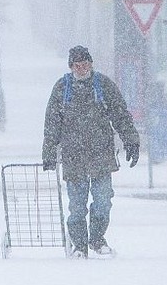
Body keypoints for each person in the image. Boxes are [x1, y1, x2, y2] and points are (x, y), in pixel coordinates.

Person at [42, 45, 139, 259]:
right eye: (77, 65)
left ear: (91, 64)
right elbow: (52, 122)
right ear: (71, 67)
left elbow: (120, 114)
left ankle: (96, 239)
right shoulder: (62, 88)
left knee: (103, 201)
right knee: (77, 206)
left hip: (101, 155)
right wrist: (49, 151)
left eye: (85, 64)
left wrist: (131, 140)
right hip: (73, 157)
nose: (82, 69)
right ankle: (78, 244)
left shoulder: (103, 86)